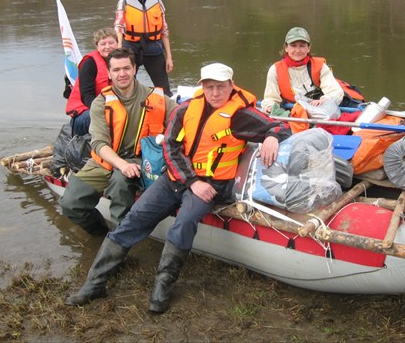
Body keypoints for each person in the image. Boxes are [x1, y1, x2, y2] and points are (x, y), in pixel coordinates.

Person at [64, 62, 292, 313]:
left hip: (211, 184)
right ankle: (95, 284)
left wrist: (271, 136)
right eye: (210, 87)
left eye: (221, 87)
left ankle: (162, 288)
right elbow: (170, 147)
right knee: (135, 218)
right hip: (176, 178)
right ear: (202, 87)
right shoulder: (184, 110)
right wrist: (191, 181)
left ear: (231, 86)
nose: (215, 93)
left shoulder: (241, 115)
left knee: (183, 225)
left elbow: (281, 126)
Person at [59, 48, 177, 236]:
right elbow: (99, 144)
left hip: (139, 159)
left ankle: (120, 241)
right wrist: (121, 164)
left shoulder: (157, 98)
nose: (122, 74)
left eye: (126, 68)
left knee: (120, 184)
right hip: (104, 161)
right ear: (108, 73)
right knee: (71, 204)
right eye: (116, 70)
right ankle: (103, 237)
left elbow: (185, 118)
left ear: (134, 69)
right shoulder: (100, 102)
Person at [261, 27, 346, 133]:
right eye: (293, 46)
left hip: (319, 114)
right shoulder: (275, 70)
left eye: (302, 46)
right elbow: (270, 99)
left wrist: (324, 100)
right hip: (293, 115)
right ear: (286, 48)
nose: (297, 50)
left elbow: (336, 92)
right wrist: (270, 107)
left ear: (308, 48)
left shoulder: (320, 66)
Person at [114, 0, 173, 96]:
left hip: (154, 47)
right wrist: (119, 50)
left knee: (164, 90)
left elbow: (164, 29)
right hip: (130, 47)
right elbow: (119, 25)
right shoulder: (123, 1)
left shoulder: (157, 0)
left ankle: (166, 111)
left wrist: (169, 57)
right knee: (126, 88)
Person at [65, 28, 116, 136]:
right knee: (111, 116)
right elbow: (86, 95)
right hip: (84, 114)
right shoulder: (89, 64)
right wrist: (106, 109)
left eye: (111, 43)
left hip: (113, 108)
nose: (108, 47)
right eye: (103, 44)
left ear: (117, 43)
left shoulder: (122, 62)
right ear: (97, 47)